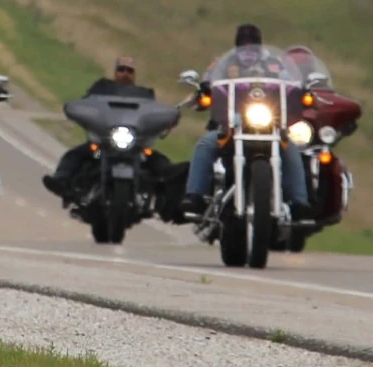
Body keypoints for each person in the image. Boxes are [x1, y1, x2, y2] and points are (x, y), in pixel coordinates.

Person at [179, 24, 310, 220]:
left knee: (290, 147)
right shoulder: (224, 63)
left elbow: (290, 82)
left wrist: (301, 91)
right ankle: (194, 195)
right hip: (232, 124)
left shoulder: (274, 64)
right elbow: (209, 79)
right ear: (237, 45)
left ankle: (299, 202)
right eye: (244, 45)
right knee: (206, 143)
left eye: (253, 45)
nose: (248, 50)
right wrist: (205, 88)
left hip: (269, 124)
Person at [41, 56, 175, 200]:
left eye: (129, 71)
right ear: (115, 72)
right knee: (74, 155)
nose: (125, 73)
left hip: (134, 142)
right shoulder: (102, 88)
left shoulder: (145, 94)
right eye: (121, 69)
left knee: (161, 163)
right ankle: (61, 181)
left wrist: (165, 122)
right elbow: (86, 104)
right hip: (103, 138)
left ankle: (172, 198)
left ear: (134, 74)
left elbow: (153, 114)